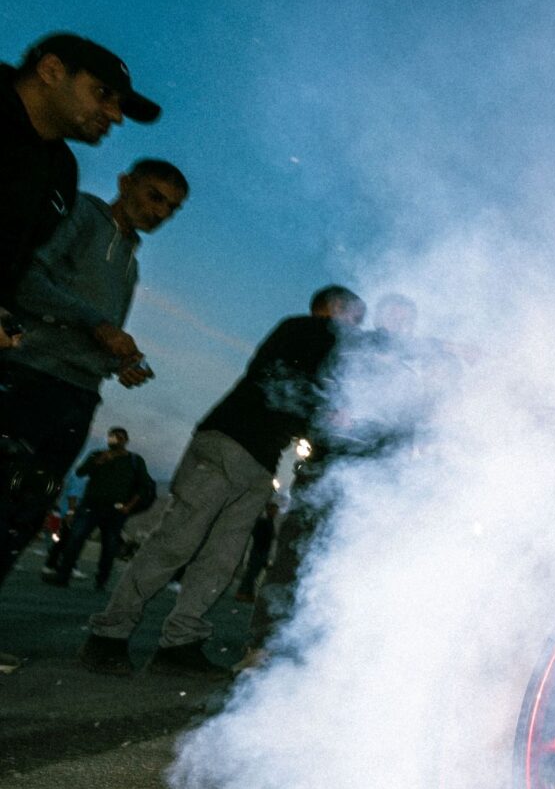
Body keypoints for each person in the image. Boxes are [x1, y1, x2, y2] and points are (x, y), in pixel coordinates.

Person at [80, 285, 367, 676]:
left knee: (222, 558)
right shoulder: (306, 329)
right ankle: (108, 636)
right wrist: (329, 409)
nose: (357, 328)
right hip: (228, 443)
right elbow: (279, 380)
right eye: (355, 317)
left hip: (261, 461)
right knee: (176, 541)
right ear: (334, 308)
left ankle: (180, 644)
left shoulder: (318, 347)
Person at [0, 158, 188, 588]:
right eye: (154, 197)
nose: (160, 212)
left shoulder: (131, 263)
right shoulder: (83, 213)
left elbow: (98, 332)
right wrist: (98, 325)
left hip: (80, 396)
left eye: (171, 208)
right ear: (125, 183)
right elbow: (30, 280)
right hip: (32, 377)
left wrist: (119, 363)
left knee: (24, 517)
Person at [1, 33, 160, 336]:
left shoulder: (61, 172)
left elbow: (17, 268)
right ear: (51, 70)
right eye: (103, 93)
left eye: (120, 104)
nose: (116, 116)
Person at [47, 427, 154, 589]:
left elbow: (143, 486)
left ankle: (101, 580)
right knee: (75, 539)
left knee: (109, 546)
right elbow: (80, 472)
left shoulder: (134, 461)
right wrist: (98, 461)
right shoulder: (97, 455)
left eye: (119, 437)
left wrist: (129, 506)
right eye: (112, 437)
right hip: (90, 506)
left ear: (126, 440)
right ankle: (63, 576)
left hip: (115, 510)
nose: (115, 440)